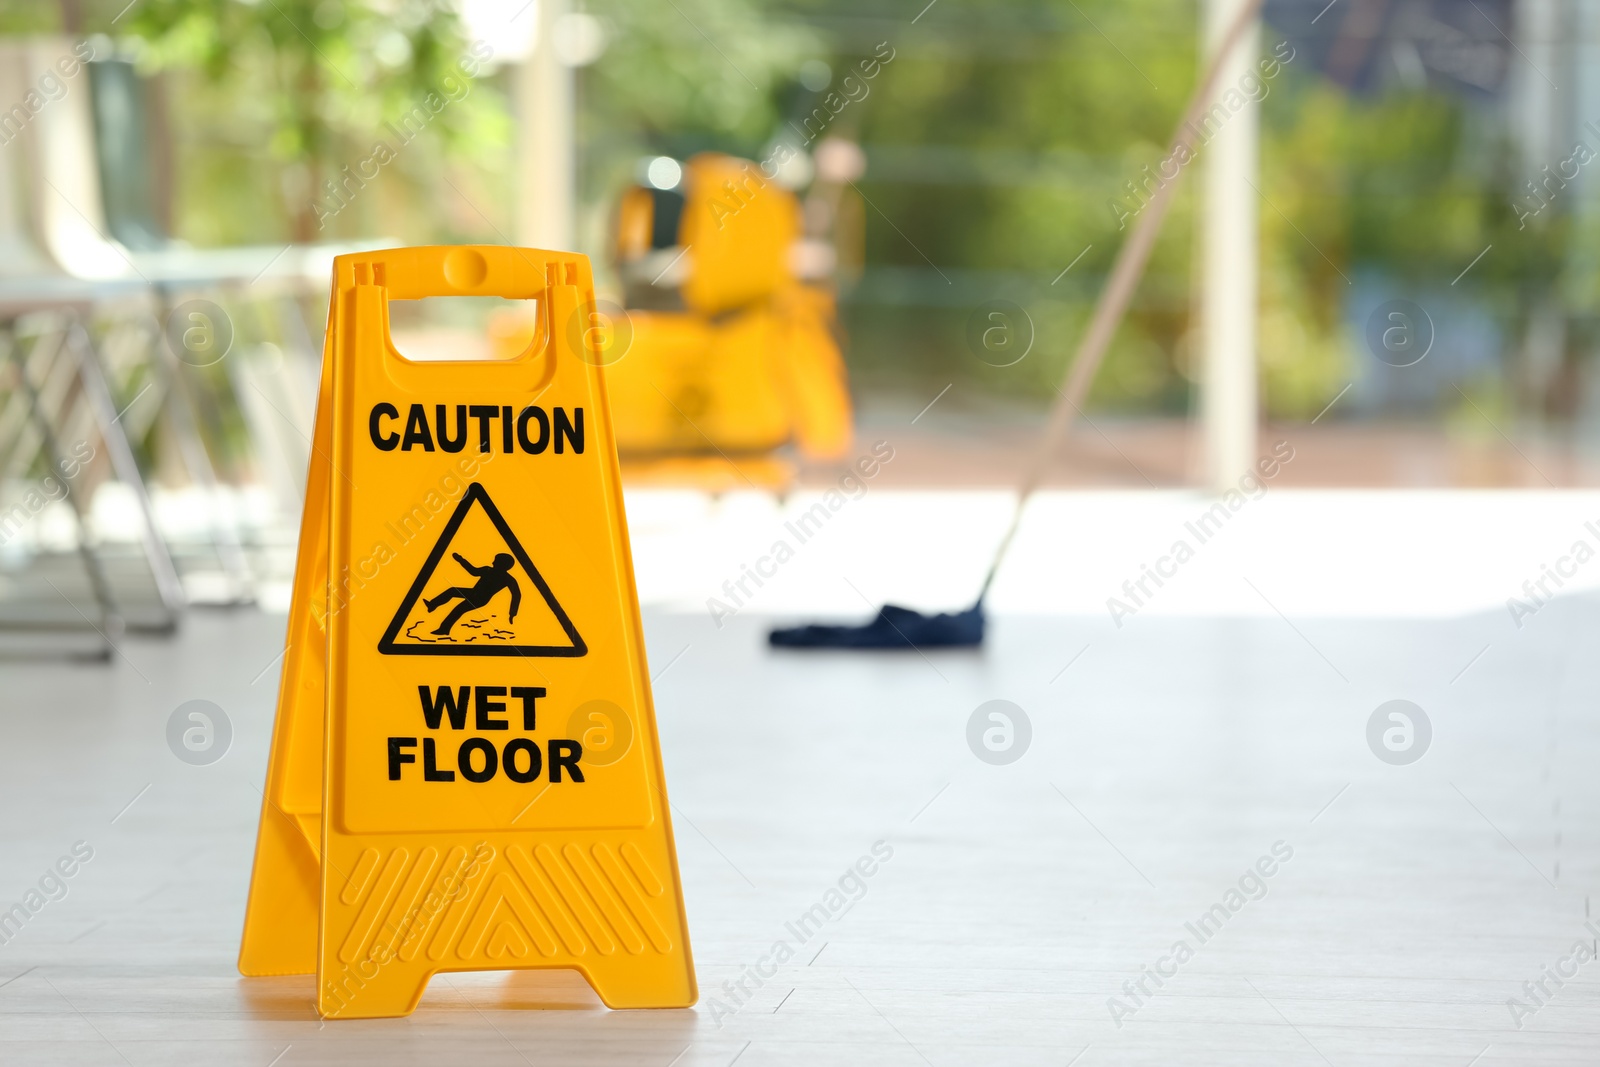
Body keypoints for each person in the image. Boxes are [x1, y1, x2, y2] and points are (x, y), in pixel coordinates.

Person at [424, 552, 521, 636]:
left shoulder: (508, 579)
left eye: (495, 561)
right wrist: (461, 560)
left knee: (458, 609)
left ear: (502, 564)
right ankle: (432, 605)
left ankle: (444, 629)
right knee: (452, 591)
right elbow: (473, 571)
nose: (492, 562)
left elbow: (517, 595)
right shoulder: (487, 570)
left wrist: (512, 613)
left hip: (480, 599)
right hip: (473, 593)